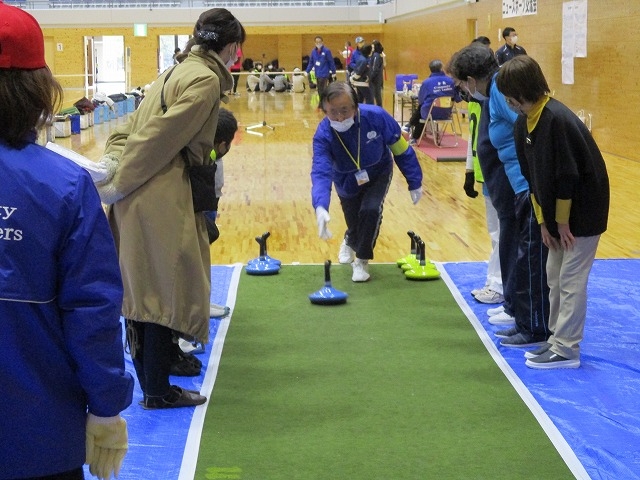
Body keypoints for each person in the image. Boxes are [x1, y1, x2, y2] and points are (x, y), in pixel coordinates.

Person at [0, 3, 134, 479]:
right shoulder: (62, 185)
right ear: (37, 87)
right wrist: (105, 406)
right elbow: (91, 310)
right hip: (37, 435)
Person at [96, 8, 246, 410]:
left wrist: (114, 166)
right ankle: (157, 390)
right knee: (160, 295)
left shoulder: (174, 71)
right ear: (232, 47)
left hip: (147, 188)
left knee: (148, 291)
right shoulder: (204, 79)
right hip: (158, 189)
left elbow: (132, 130)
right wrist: (117, 183)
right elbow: (158, 140)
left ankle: (160, 376)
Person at [496, 56, 610, 369]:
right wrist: (543, 222)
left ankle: (567, 349)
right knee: (553, 276)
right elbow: (531, 178)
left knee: (571, 279)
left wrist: (561, 223)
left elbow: (568, 176)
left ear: (520, 92)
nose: (507, 100)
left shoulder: (556, 120)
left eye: (509, 94)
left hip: (583, 211)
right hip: (555, 213)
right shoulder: (523, 123)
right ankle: (555, 338)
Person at [448, 44, 550, 348]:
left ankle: (527, 318)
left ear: (470, 79)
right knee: (510, 241)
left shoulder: (499, 92)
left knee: (521, 248)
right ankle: (515, 308)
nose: (462, 90)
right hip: (507, 181)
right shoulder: (490, 93)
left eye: (461, 84)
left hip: (519, 183)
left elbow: (528, 121)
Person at [312, 82, 423, 282]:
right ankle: (349, 239)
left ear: (356, 106)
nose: (339, 117)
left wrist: (415, 181)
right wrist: (320, 206)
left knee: (371, 210)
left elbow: (401, 148)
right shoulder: (323, 135)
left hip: (378, 171)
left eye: (344, 110)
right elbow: (321, 172)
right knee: (354, 221)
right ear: (324, 110)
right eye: (332, 112)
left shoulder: (377, 117)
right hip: (345, 179)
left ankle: (362, 260)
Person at [464, 36, 504, 305]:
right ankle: (497, 284)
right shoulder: (475, 100)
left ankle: (500, 286)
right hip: (485, 172)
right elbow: (473, 136)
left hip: (503, 176)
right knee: (496, 233)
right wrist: (469, 170)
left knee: (503, 233)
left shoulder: (497, 97)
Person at [406, 59, 460, 144]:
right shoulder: (451, 81)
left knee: (422, 107)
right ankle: (409, 127)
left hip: (429, 114)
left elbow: (420, 100)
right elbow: (458, 99)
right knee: (424, 107)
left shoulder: (427, 82)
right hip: (446, 114)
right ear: (442, 68)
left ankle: (411, 132)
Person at [369, 40, 385, 107]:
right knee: (377, 95)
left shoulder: (376, 56)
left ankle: (379, 109)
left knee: (377, 96)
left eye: (373, 47)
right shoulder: (378, 55)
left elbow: (375, 68)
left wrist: (370, 77)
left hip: (375, 79)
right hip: (378, 78)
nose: (372, 49)